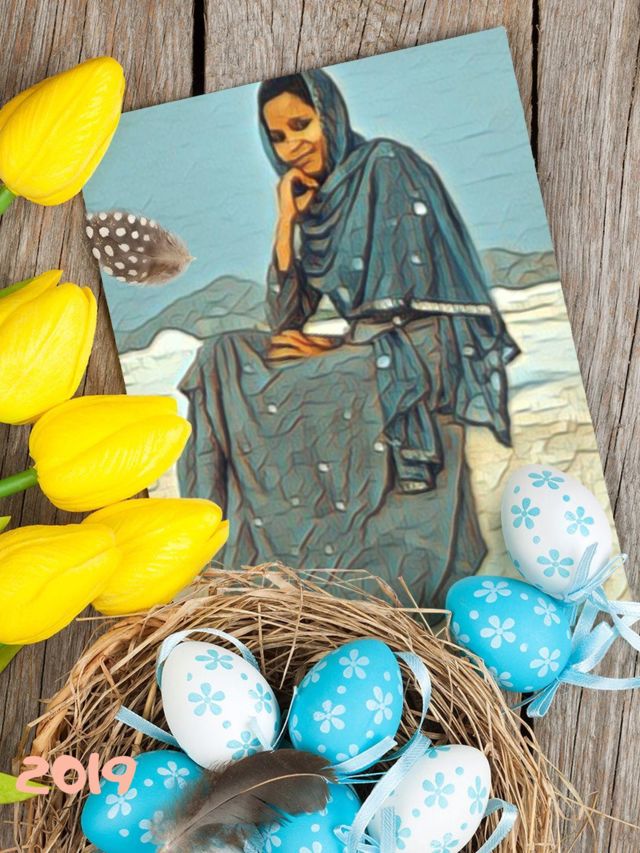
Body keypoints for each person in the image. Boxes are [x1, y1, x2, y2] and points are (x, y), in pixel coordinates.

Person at [178, 69, 519, 607]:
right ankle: (206, 541)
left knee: (316, 376)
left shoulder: (385, 166)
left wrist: (339, 346)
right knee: (221, 356)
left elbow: (421, 307)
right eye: (278, 137)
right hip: (366, 352)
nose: (292, 146)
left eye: (301, 125)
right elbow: (285, 319)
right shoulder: (314, 202)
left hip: (419, 353)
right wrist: (286, 221)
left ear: (329, 116)